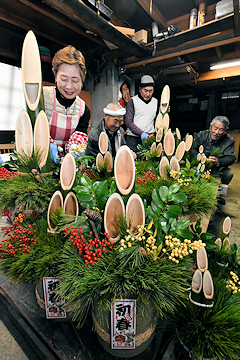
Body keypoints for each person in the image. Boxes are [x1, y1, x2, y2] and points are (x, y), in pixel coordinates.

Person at [43, 45, 90, 163]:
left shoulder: (83, 110)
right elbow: (30, 130)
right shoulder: (42, 98)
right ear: (54, 74)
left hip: (67, 166)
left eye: (75, 80)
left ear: (82, 80)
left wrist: (75, 147)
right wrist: (45, 145)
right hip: (40, 166)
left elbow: (80, 134)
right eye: (63, 79)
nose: (69, 86)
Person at [191, 116, 236, 200]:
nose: (217, 132)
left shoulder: (229, 141)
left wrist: (218, 161)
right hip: (200, 165)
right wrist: (199, 158)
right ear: (210, 126)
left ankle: (221, 195)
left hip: (217, 167)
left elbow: (231, 158)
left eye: (221, 129)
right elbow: (192, 149)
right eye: (215, 128)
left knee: (229, 173)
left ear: (225, 131)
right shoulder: (201, 135)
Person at [125, 75, 159, 153]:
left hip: (149, 138)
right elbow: (128, 122)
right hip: (133, 139)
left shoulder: (155, 102)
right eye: (145, 90)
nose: (148, 94)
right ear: (140, 89)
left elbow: (157, 119)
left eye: (150, 91)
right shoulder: (132, 101)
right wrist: (141, 134)